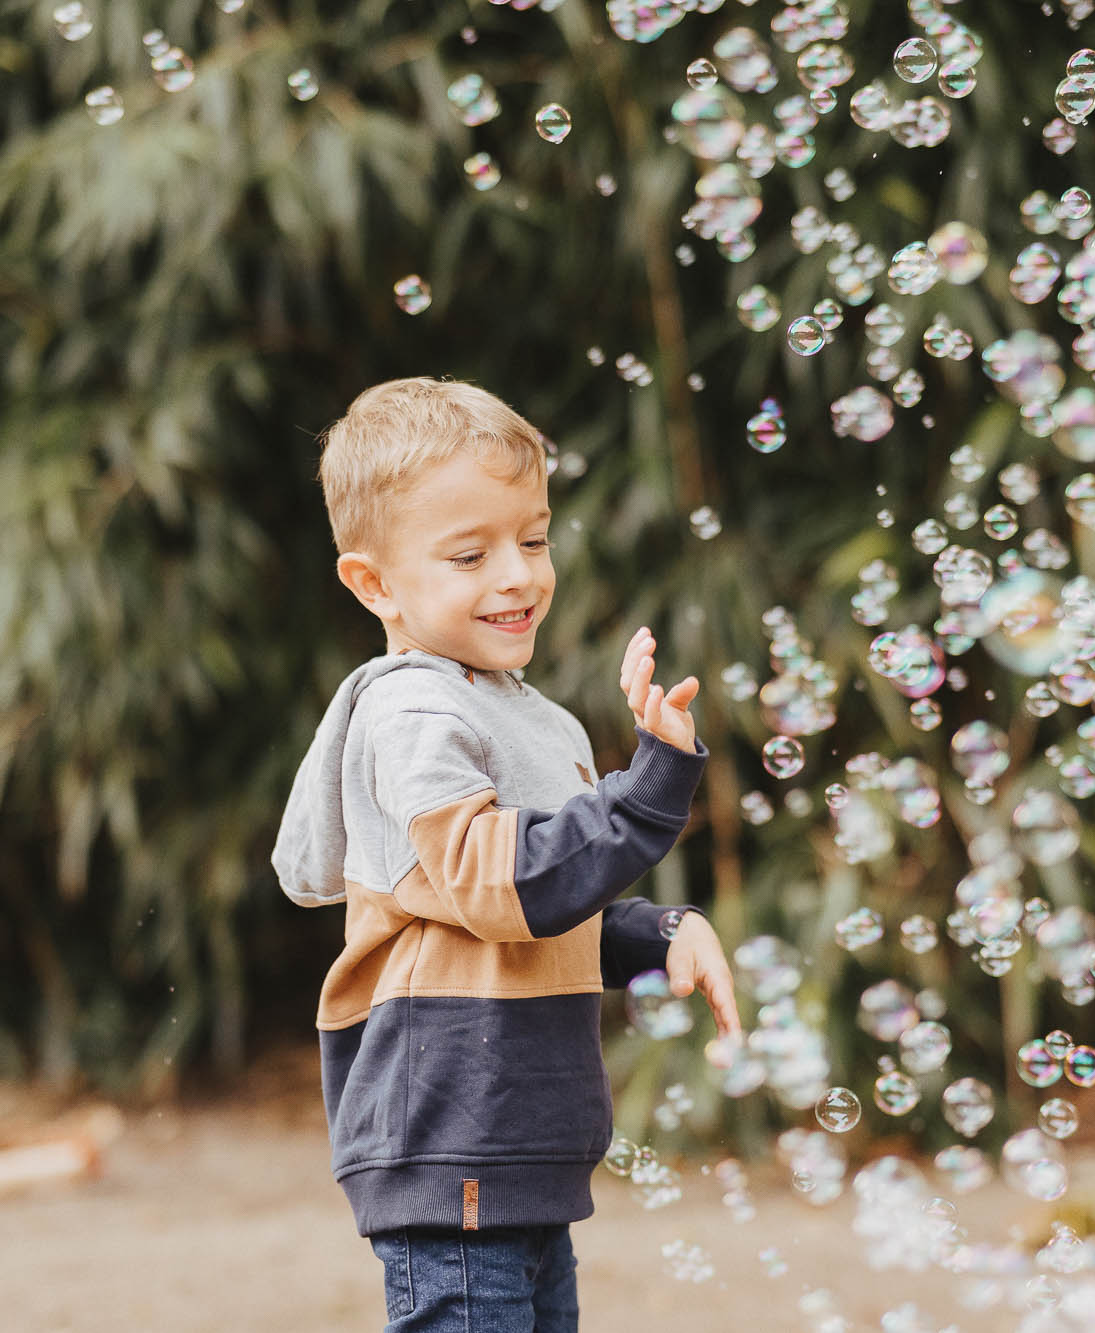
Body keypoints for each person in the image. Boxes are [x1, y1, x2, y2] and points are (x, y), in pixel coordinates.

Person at [272, 376, 742, 1332]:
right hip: (453, 1135)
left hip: (515, 1139)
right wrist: (649, 786)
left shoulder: (528, 713)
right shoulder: (414, 711)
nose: (519, 573)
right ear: (373, 583)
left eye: (532, 538)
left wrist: (657, 933)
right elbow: (501, 884)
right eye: (469, 553)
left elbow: (536, 919)